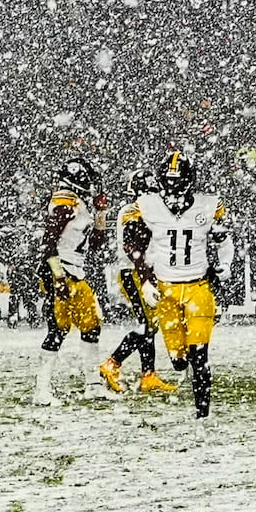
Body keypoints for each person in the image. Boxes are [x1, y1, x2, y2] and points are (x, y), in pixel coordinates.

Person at [120, 151, 234, 418]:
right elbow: (132, 244)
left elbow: (224, 240)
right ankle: (185, 370)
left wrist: (225, 267)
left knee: (199, 356)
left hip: (198, 289)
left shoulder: (208, 206)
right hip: (166, 291)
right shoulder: (147, 205)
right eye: (168, 184)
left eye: (177, 183)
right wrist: (146, 280)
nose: (172, 190)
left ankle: (202, 415)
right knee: (180, 361)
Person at [34, 157, 108, 406]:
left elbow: (97, 243)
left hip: (76, 271)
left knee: (91, 326)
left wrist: (100, 213)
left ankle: (93, 385)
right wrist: (57, 278)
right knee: (57, 330)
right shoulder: (65, 202)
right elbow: (48, 243)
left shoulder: (79, 203)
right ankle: (41, 390)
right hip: (61, 271)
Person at [98, 169, 176, 396]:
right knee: (147, 326)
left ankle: (148, 375)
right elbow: (133, 248)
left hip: (139, 271)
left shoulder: (138, 208)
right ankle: (112, 363)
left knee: (148, 324)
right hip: (134, 273)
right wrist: (146, 278)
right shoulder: (136, 210)